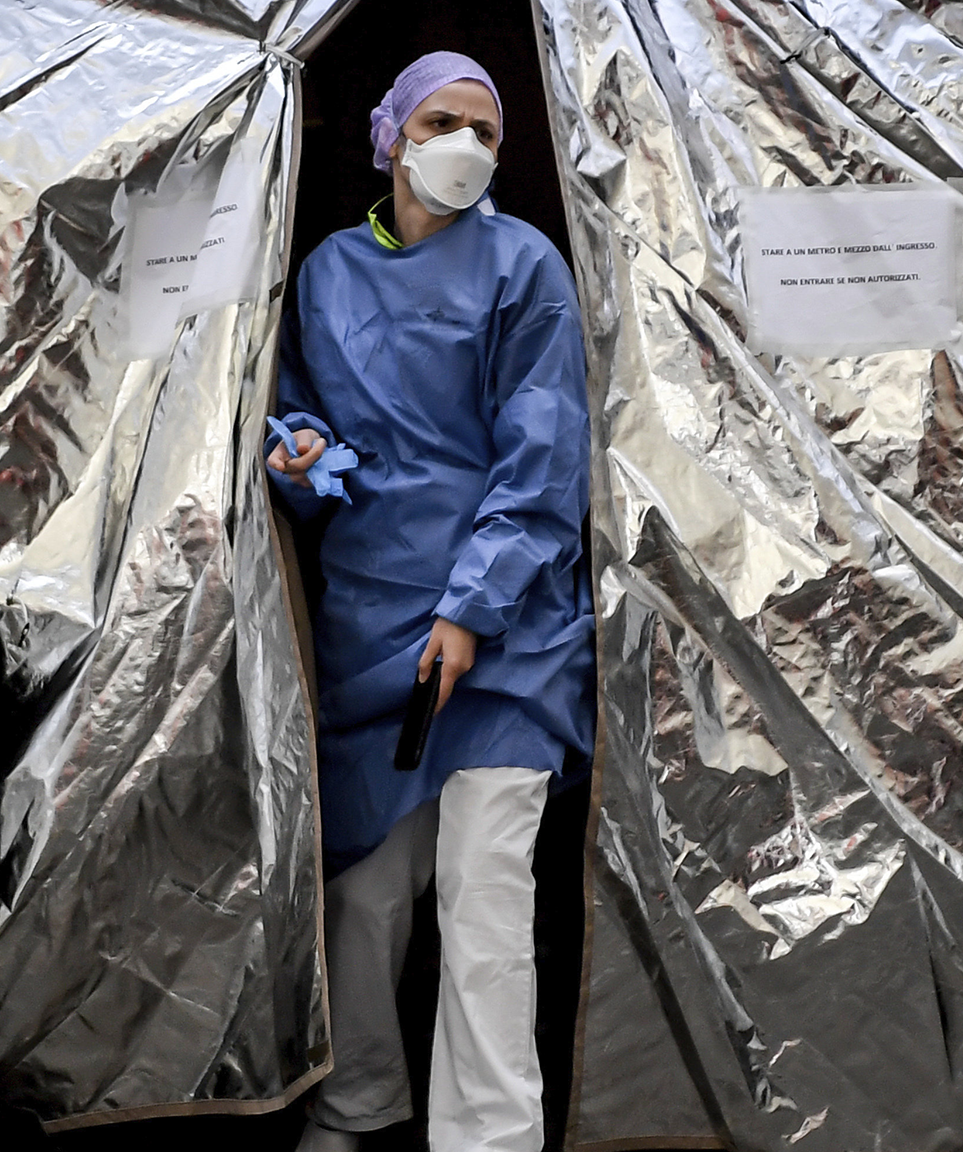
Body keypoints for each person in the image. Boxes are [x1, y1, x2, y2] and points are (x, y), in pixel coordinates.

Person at [265, 51, 595, 1152]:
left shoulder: (524, 266)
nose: (463, 144)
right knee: (361, 899)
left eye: (485, 132)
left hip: (506, 638)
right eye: (440, 122)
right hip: (373, 627)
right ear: (390, 136)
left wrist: (471, 607)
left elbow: (543, 456)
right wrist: (301, 459)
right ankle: (357, 1099)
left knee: (483, 896)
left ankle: (487, 1141)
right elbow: (304, 431)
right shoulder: (326, 274)